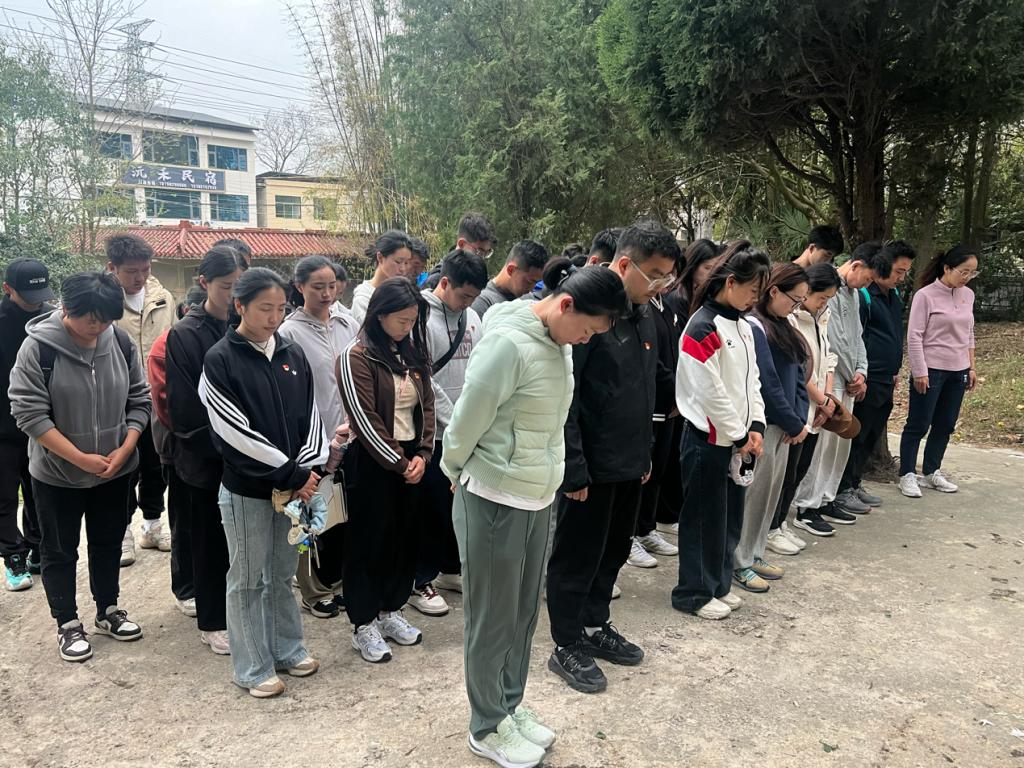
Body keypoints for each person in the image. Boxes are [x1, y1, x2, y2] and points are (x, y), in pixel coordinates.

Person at [442, 266, 628, 768]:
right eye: (587, 329)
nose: (586, 340)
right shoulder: (509, 344)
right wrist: (454, 468)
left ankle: (509, 705)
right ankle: (486, 726)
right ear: (566, 305)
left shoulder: (558, 342)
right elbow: (468, 416)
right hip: (494, 495)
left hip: (535, 496)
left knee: (523, 613)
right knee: (492, 617)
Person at [545, 221, 680, 694]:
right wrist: (574, 468)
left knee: (614, 550)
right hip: (590, 468)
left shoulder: (644, 316)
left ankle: (594, 623)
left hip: (629, 462)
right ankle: (566, 643)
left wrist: (644, 453)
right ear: (625, 264)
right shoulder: (589, 313)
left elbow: (645, 388)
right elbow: (567, 398)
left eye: (667, 276)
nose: (662, 284)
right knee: (576, 556)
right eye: (655, 274)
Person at [9, 271, 151, 662]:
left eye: (106, 320)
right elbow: (28, 413)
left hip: (114, 469)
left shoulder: (119, 341)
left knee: (108, 541)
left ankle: (108, 609)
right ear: (67, 308)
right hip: (57, 475)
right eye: (91, 320)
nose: (98, 328)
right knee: (59, 549)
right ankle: (68, 622)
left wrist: (126, 446)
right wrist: (79, 458)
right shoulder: (39, 349)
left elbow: (139, 399)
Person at [199, 267, 326, 697]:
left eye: (280, 309)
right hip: (247, 490)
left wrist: (306, 470)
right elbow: (235, 433)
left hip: (293, 488)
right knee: (249, 578)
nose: (274, 318)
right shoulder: (220, 359)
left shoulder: (291, 353)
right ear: (240, 306)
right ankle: (252, 667)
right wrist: (292, 473)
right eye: (264, 309)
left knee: (282, 573)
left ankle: (288, 649)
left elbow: (311, 417)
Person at [338, 278, 435, 663]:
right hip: (372, 462)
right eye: (401, 320)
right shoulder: (356, 356)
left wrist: (423, 454)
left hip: (411, 459)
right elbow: (365, 419)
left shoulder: (411, 353)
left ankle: (390, 609)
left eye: (412, 321)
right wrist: (399, 462)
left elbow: (427, 406)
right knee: (368, 541)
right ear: (379, 315)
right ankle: (363, 622)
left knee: (403, 538)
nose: (407, 328)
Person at [671, 242, 770, 621]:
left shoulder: (744, 326)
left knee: (728, 519)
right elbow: (708, 392)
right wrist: (740, 434)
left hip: (737, 441)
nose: (755, 299)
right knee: (703, 520)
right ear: (731, 283)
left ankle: (718, 585)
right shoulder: (702, 327)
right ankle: (693, 593)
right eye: (753, 290)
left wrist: (756, 425)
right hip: (708, 441)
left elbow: (752, 381)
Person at [166, 246, 247, 655]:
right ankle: (213, 620)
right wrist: (229, 446)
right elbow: (185, 409)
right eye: (226, 286)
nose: (234, 295)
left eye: (240, 286)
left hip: (247, 455)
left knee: (244, 541)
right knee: (209, 540)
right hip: (204, 456)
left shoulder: (246, 325)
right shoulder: (186, 334)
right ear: (204, 283)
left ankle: (242, 610)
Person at [792, 243, 892, 535]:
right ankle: (807, 505)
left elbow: (857, 337)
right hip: (829, 379)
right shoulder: (828, 289)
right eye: (869, 278)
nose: (868, 284)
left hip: (848, 380)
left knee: (839, 445)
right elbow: (832, 340)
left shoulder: (855, 295)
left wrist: (862, 372)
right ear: (857, 265)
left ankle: (827, 498)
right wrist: (850, 375)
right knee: (822, 446)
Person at [409, 249, 487, 617]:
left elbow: (481, 368)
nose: (468, 303)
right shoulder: (420, 317)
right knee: (431, 508)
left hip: (465, 431)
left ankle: (450, 569)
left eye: (474, 297)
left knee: (459, 507)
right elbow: (423, 377)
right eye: (463, 295)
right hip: (433, 434)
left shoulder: (473, 317)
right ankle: (419, 579)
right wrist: (456, 422)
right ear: (445, 282)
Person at [279, 255, 357, 619]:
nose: (327, 294)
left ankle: (335, 581)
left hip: (349, 435)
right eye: (317, 287)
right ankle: (312, 589)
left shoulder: (347, 323)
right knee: (308, 517)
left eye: (331, 286)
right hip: (311, 441)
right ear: (299, 287)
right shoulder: (289, 333)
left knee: (339, 516)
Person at [731, 264, 810, 592]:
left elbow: (800, 375)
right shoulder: (755, 326)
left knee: (770, 496)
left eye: (802, 301)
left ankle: (755, 551)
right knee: (754, 497)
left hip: (787, 427)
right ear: (774, 290)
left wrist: (800, 418)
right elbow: (767, 382)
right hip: (767, 425)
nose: (797, 306)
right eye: (794, 299)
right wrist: (792, 420)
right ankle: (739, 561)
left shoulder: (784, 325)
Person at [105, 233, 175, 564]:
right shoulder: (103, 301)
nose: (140, 278)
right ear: (113, 268)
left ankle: (152, 524)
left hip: (156, 398)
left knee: (155, 464)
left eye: (145, 269)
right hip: (117, 402)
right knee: (122, 467)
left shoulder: (163, 298)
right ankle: (122, 532)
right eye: (132, 271)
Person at [765, 263, 841, 554]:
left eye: (829, 299)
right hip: (798, 408)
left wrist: (828, 398)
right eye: (821, 297)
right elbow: (799, 369)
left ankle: (780, 523)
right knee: (783, 475)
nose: (824, 303)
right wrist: (820, 400)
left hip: (817, 407)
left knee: (797, 472)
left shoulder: (822, 316)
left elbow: (827, 357)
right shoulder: (791, 319)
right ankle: (770, 528)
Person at [835, 241, 916, 511]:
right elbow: (854, 338)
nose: (901, 278)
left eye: (905, 272)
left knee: (870, 435)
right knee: (856, 435)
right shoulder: (863, 295)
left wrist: (894, 370)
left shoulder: (893, 296)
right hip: (865, 379)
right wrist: (860, 373)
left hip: (885, 378)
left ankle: (854, 482)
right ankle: (842, 488)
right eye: (898, 271)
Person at [898, 245, 979, 498]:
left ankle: (932, 471)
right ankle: (907, 474)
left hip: (958, 370)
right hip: (931, 369)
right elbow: (914, 336)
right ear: (947, 268)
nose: (967, 277)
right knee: (918, 423)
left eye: (972, 273)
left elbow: (969, 333)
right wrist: (919, 371)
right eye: (963, 271)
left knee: (945, 424)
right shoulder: (925, 296)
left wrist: (971, 366)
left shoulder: (968, 295)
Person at [0, 259, 54, 591]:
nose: (37, 303)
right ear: (8, 289)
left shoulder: (50, 319)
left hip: (42, 423)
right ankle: (13, 556)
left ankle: (36, 548)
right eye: (28, 296)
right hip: (3, 429)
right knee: (5, 497)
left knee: (38, 493)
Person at [147, 295, 199, 619]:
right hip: (178, 447)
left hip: (215, 450)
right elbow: (165, 403)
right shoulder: (166, 344)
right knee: (184, 521)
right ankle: (186, 587)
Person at [351, 230, 414, 324]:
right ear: (380, 257)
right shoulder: (364, 299)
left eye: (406, 263)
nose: (403, 269)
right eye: (398, 262)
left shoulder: (405, 293)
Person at [471, 240, 549, 316]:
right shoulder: (483, 302)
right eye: (529, 282)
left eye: (536, 282)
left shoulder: (529, 301)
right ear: (511, 270)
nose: (532, 288)